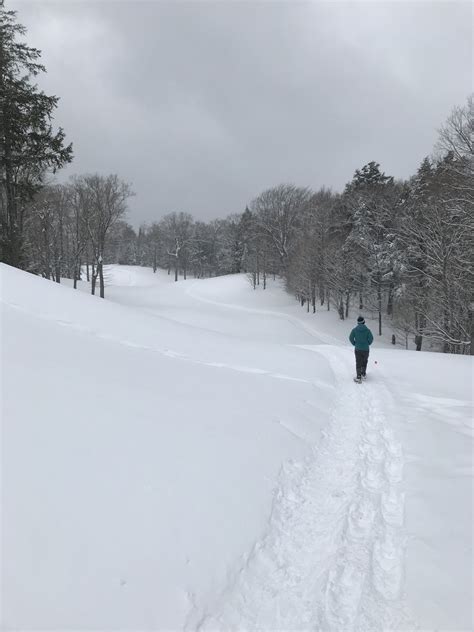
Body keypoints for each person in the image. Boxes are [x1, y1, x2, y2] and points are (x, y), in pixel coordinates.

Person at [349, 316, 374, 383]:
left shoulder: (354, 330)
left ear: (358, 322)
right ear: (363, 322)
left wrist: (355, 344)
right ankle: (363, 374)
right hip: (366, 349)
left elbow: (350, 338)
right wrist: (367, 343)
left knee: (358, 362)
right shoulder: (367, 330)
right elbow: (371, 339)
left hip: (358, 349)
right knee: (364, 361)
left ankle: (358, 376)